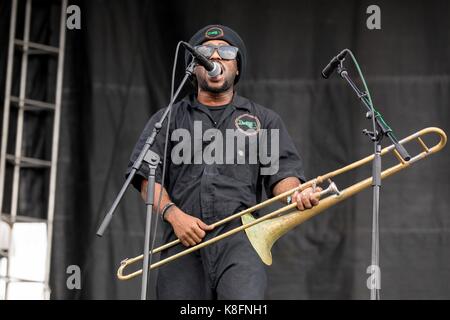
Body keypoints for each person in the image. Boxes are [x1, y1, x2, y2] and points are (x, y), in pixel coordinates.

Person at [126, 24, 320, 300]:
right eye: (206, 52)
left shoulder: (264, 120)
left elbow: (282, 174)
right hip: (183, 239)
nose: (215, 57)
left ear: (237, 68)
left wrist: (295, 194)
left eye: (226, 52)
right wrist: (173, 214)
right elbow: (146, 178)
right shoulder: (167, 119)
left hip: (242, 240)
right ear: (194, 67)